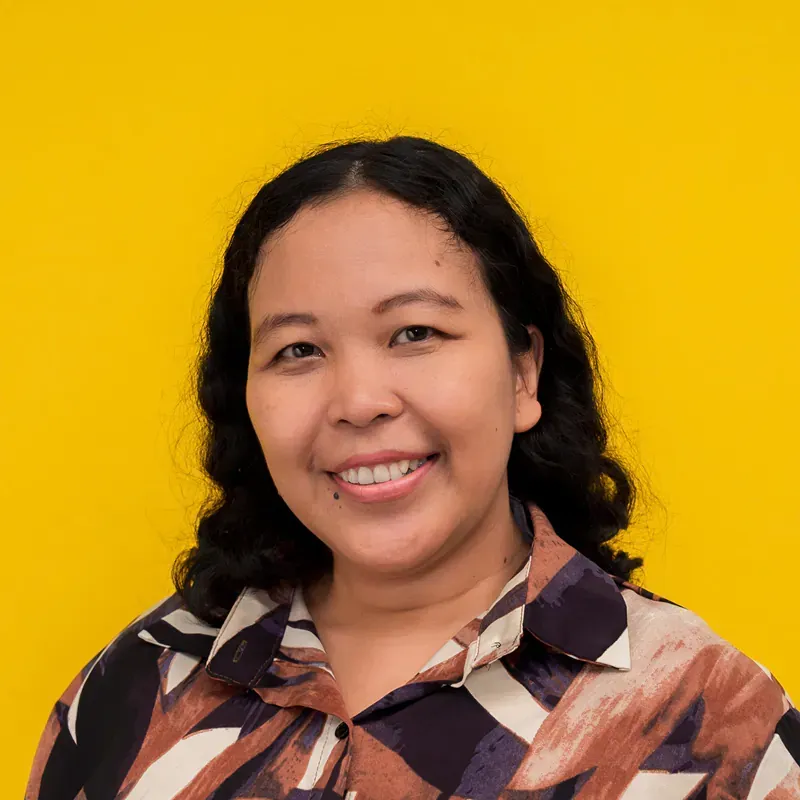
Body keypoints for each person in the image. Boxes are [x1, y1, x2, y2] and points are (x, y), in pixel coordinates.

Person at [26, 136, 799, 799]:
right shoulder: (134, 691)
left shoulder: (709, 716)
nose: (359, 401)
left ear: (524, 373)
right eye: (298, 350)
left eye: (415, 332)